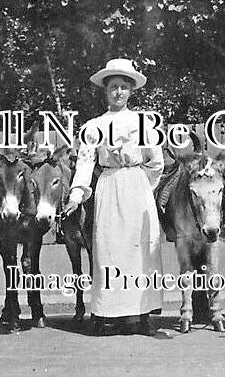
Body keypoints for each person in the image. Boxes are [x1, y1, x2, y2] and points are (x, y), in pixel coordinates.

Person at [63, 58, 164, 335]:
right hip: (108, 186)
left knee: (139, 250)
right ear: (105, 91)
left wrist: (144, 187)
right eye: (113, 87)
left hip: (136, 185)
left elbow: (155, 162)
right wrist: (77, 194)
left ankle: (142, 315)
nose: (118, 92)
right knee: (109, 250)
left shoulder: (143, 122)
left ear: (131, 91)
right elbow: (85, 161)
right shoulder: (94, 125)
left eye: (123, 87)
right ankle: (109, 315)